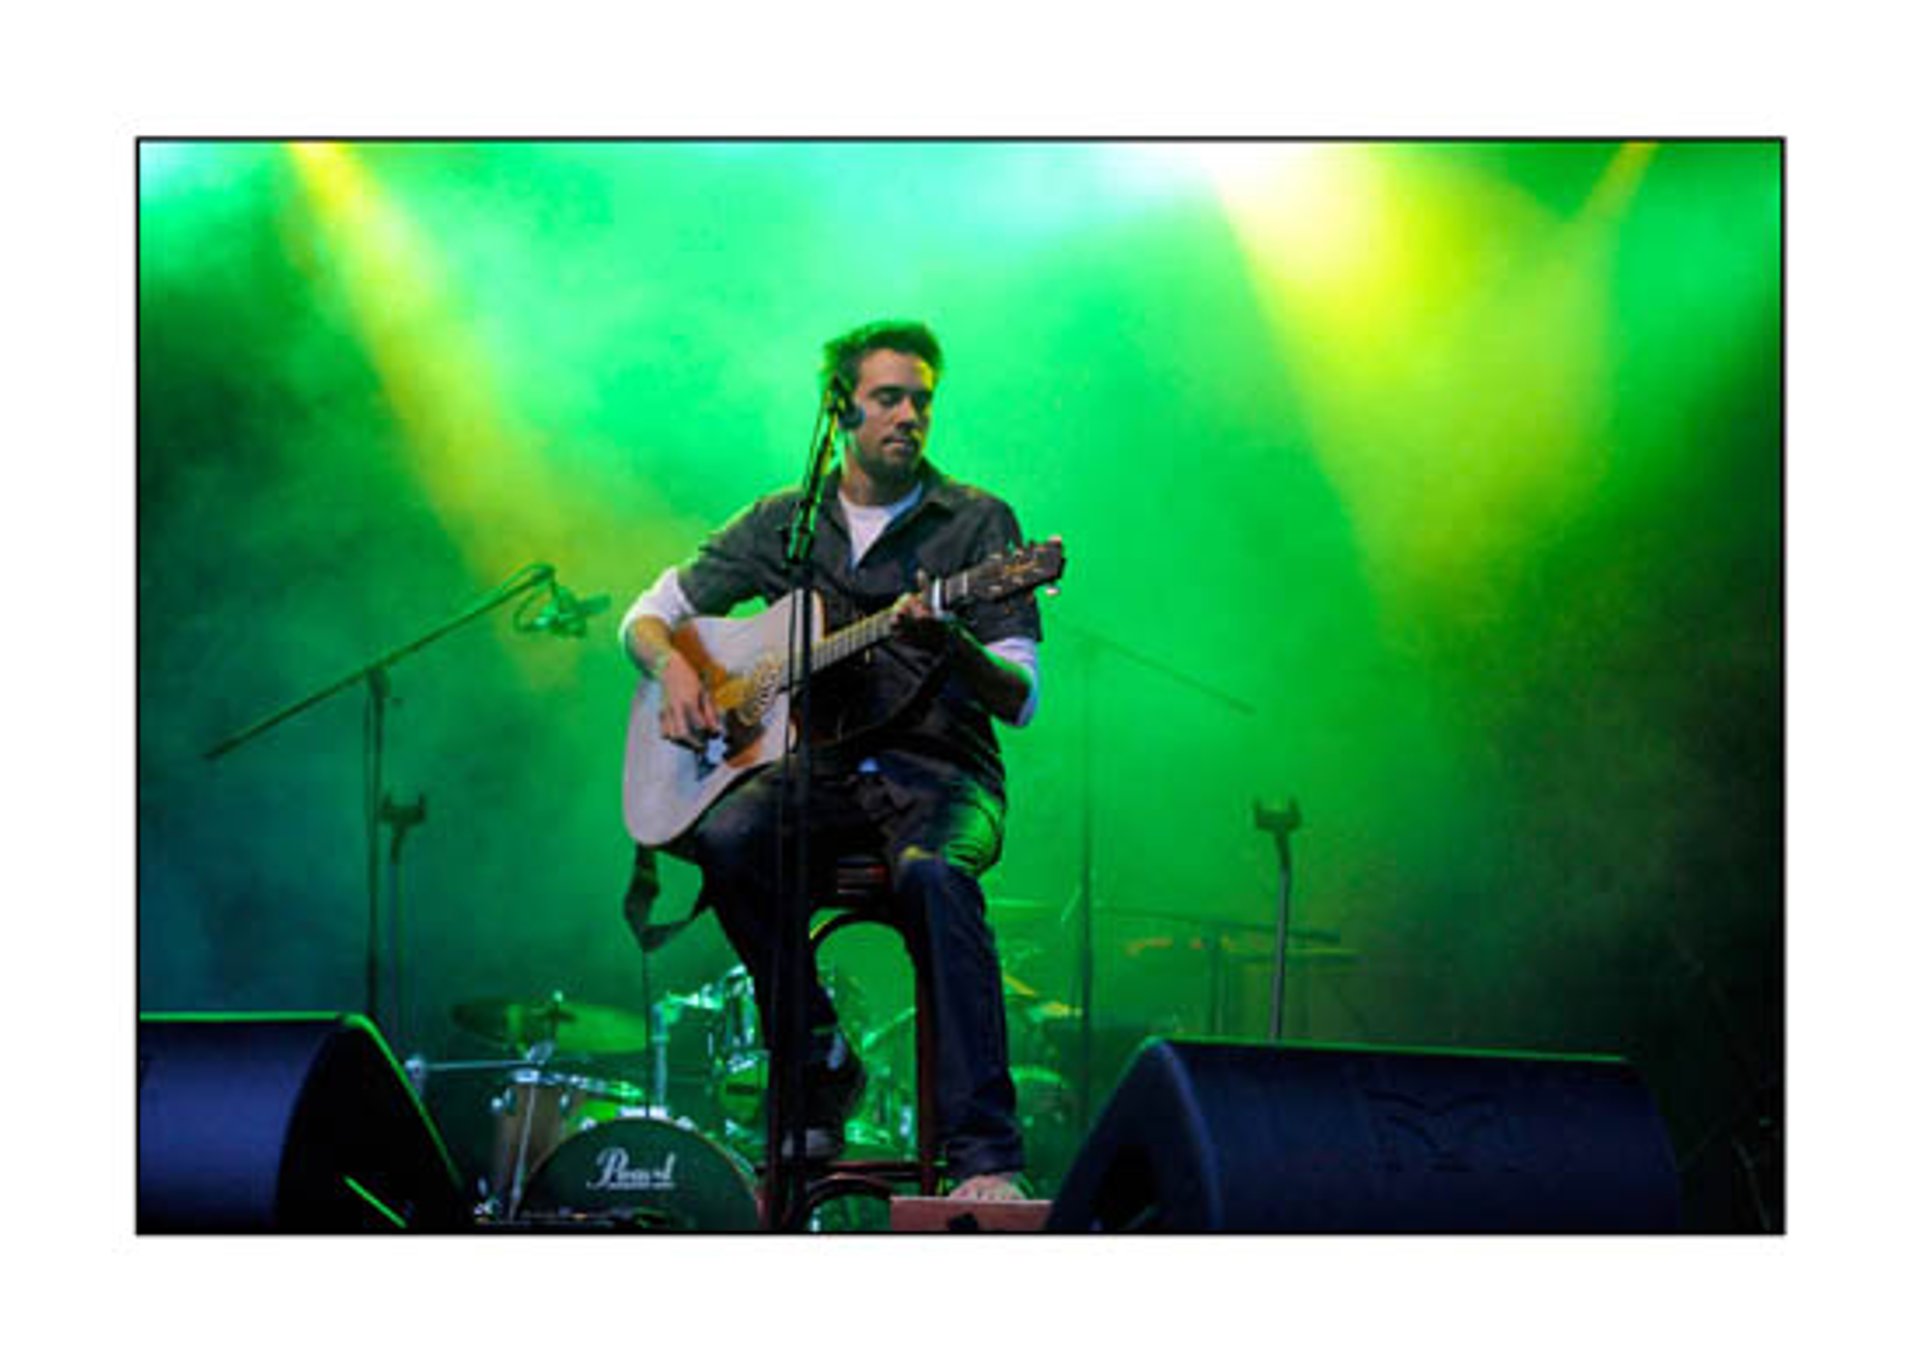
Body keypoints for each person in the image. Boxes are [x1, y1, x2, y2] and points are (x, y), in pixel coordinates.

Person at [619, 320, 1044, 1203]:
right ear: (841, 407)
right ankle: (817, 1057)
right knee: (729, 835)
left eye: (922, 399)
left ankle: (984, 1158)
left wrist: (955, 642)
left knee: (932, 878)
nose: (909, 416)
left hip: (942, 775)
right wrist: (679, 668)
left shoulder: (977, 523)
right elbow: (645, 616)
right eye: (889, 397)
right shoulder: (784, 522)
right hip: (815, 777)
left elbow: (1023, 695)